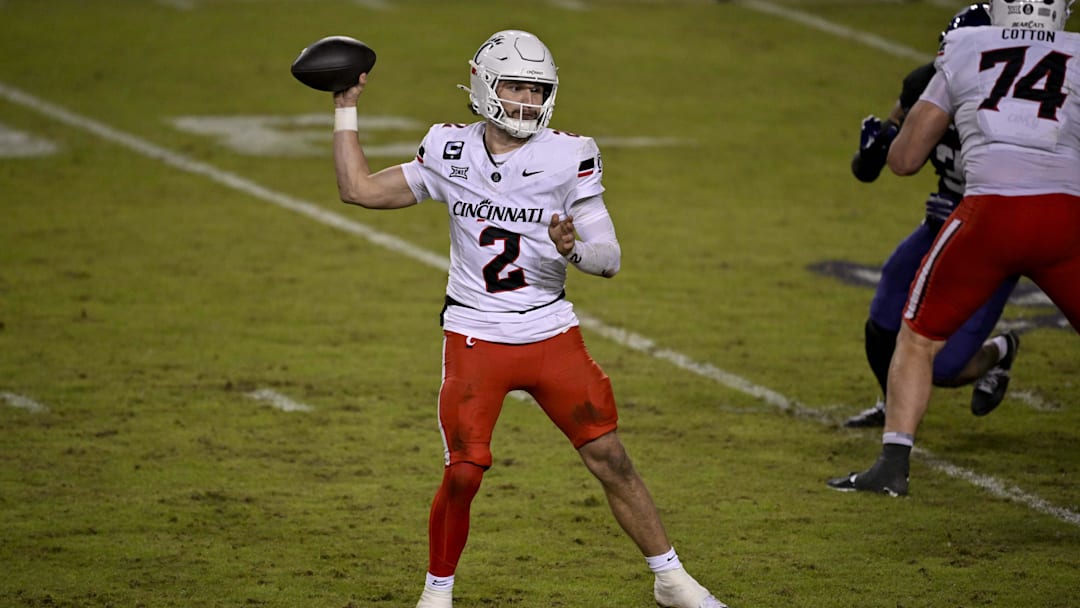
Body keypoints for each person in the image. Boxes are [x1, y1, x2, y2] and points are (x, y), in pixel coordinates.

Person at [328, 30, 728, 608]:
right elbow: (359, 190)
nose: (526, 101)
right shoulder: (448, 148)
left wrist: (572, 250)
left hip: (549, 333)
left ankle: (672, 579)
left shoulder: (569, 154)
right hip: (475, 335)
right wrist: (346, 108)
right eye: (515, 86)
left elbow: (609, 259)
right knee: (463, 473)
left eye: (536, 89)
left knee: (611, 457)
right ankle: (436, 594)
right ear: (485, 86)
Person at [829, 0, 1080, 496]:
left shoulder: (966, 48)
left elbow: (902, 159)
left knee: (919, 337)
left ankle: (893, 464)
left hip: (989, 216)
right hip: (1064, 216)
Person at [845, 2, 1021, 429]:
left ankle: (1001, 350)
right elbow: (871, 167)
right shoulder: (926, 82)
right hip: (943, 221)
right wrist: (873, 150)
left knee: (944, 366)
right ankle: (894, 407)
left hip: (994, 233)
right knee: (883, 319)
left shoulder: (1021, 100)